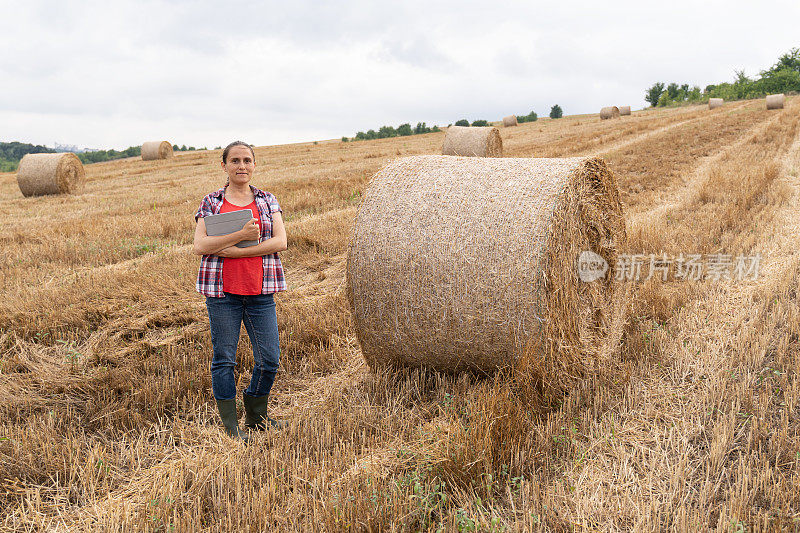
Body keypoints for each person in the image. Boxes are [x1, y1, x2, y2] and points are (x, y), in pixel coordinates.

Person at [193, 141, 288, 441]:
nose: (241, 166)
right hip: (223, 294)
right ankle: (232, 426)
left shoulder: (267, 200)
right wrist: (241, 235)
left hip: (260, 291)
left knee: (270, 359)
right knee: (224, 359)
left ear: (254, 165)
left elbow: (281, 241)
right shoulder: (212, 202)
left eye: (247, 160)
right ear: (224, 166)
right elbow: (200, 245)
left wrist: (234, 251)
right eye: (235, 160)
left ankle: (256, 414)